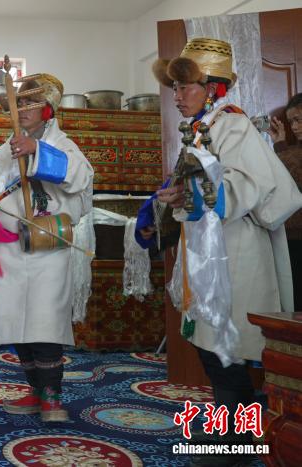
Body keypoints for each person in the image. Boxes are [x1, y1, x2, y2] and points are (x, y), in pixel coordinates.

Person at [140, 38, 302, 465]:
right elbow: (199, 190)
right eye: (175, 88)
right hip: (209, 254)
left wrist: (192, 195)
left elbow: (250, 184)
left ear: (213, 88)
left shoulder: (233, 125)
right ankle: (231, 432)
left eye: (185, 87)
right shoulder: (202, 129)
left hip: (236, 252)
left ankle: (235, 443)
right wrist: (177, 197)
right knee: (211, 347)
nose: (177, 96)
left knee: (225, 350)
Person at [0, 73, 94, 422]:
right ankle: (36, 389)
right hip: (10, 249)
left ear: (48, 110)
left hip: (47, 247)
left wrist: (37, 151)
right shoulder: (3, 152)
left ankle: (52, 395)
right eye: (19, 104)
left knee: (45, 320)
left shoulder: (64, 146)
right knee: (14, 320)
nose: (22, 110)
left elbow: (81, 177)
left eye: (30, 103)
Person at [268, 93, 302, 310]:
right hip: (290, 236)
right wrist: (280, 144)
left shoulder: (290, 153)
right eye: (291, 122)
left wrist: (280, 146)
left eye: (299, 120)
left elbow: (293, 175)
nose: (295, 127)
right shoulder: (292, 150)